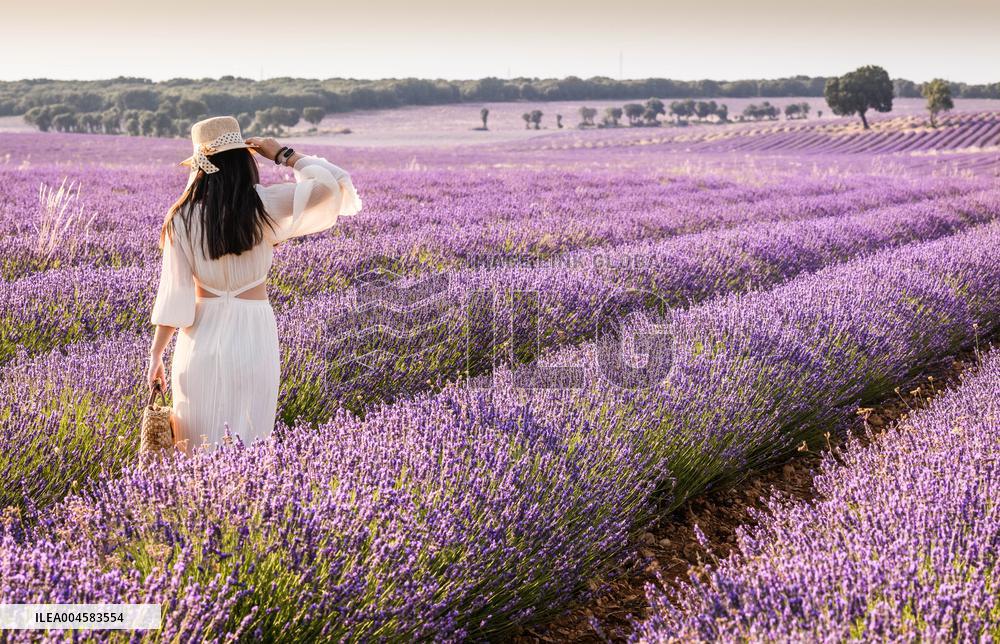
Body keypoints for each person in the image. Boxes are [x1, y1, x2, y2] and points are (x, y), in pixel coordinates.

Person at [147, 116, 361, 454]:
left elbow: (174, 295)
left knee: (195, 443)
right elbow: (331, 185)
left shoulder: (180, 217)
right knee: (249, 440)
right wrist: (285, 155)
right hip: (254, 332)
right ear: (243, 159)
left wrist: (156, 355)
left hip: (200, 338)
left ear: (201, 165)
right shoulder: (262, 205)